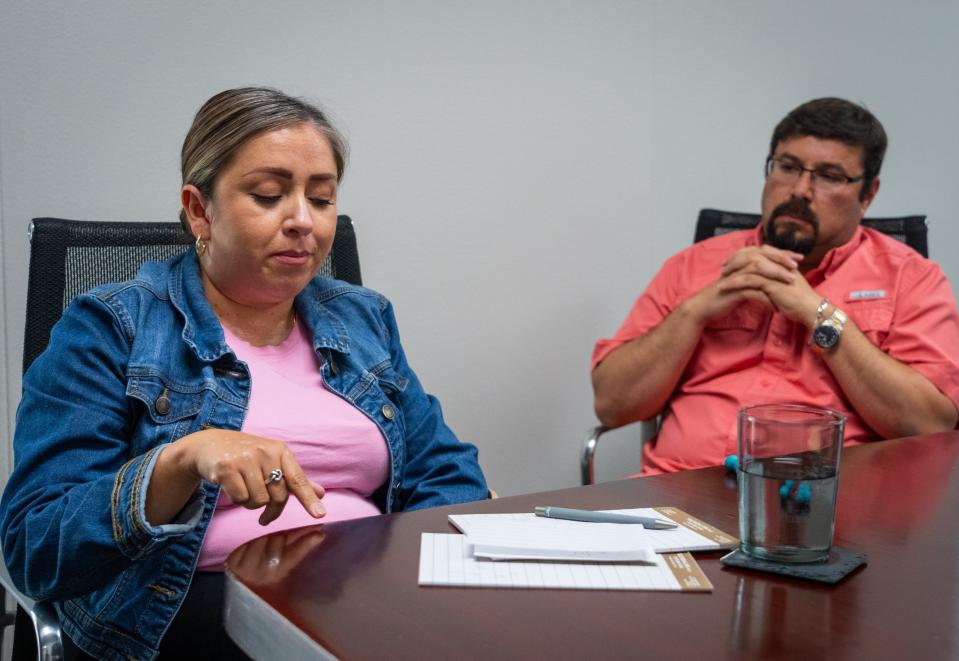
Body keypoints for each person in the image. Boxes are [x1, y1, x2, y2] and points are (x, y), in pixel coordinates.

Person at [0, 87, 489, 660]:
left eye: (323, 199)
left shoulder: (362, 317)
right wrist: (179, 461)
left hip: (369, 597)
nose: (303, 221)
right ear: (199, 209)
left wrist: (428, 568)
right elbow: (35, 546)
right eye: (268, 195)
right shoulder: (112, 327)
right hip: (183, 608)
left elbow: (445, 468)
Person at [591, 97, 959, 475]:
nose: (800, 189)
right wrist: (697, 309)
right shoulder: (693, 265)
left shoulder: (912, 279)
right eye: (788, 167)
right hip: (673, 495)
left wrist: (818, 315)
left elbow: (927, 424)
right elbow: (612, 404)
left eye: (829, 176)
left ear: (868, 194)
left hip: (824, 505)